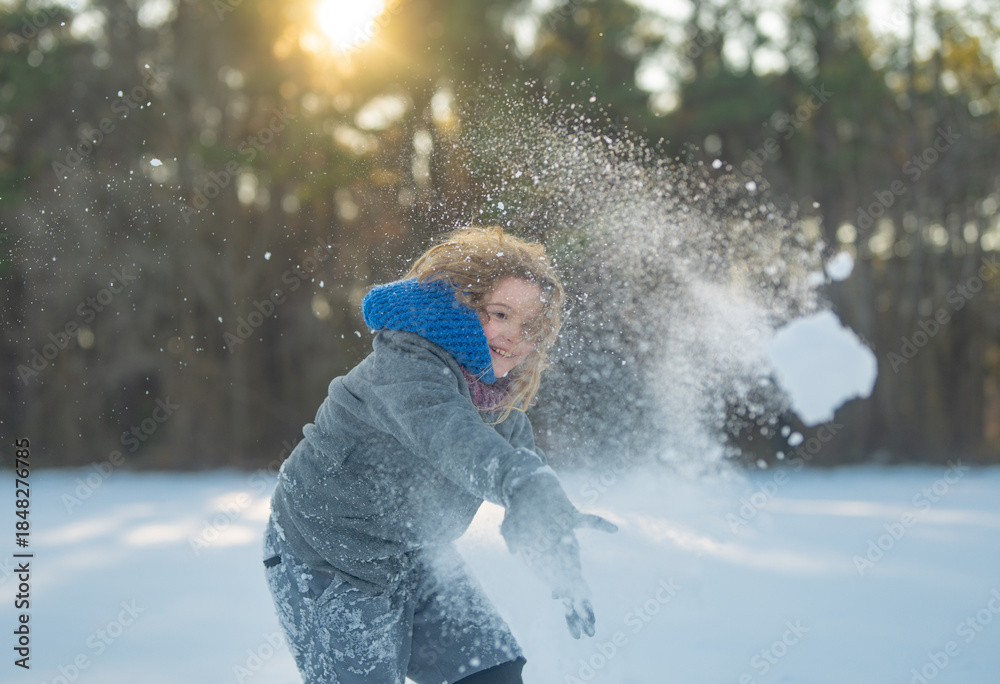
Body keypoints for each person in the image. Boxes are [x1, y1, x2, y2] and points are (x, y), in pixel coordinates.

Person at [263, 226, 616, 684]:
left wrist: (557, 555)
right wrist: (521, 482)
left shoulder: (495, 405)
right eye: (501, 314)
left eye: (529, 327)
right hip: (327, 557)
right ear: (463, 306)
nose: (512, 336)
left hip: (416, 555)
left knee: (493, 674)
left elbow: (528, 484)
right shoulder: (406, 367)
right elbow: (451, 435)